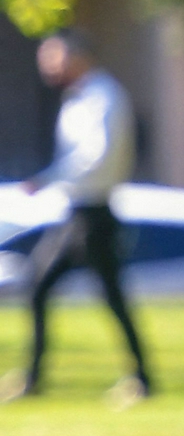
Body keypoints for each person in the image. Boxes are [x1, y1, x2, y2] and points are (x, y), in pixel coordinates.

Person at [2, 31, 149, 405]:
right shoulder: (77, 100)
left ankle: (142, 380)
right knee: (39, 285)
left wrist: (48, 178)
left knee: (110, 298)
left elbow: (97, 159)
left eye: (54, 58)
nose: (47, 68)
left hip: (94, 213)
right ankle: (34, 377)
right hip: (76, 213)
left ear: (77, 56)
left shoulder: (104, 97)